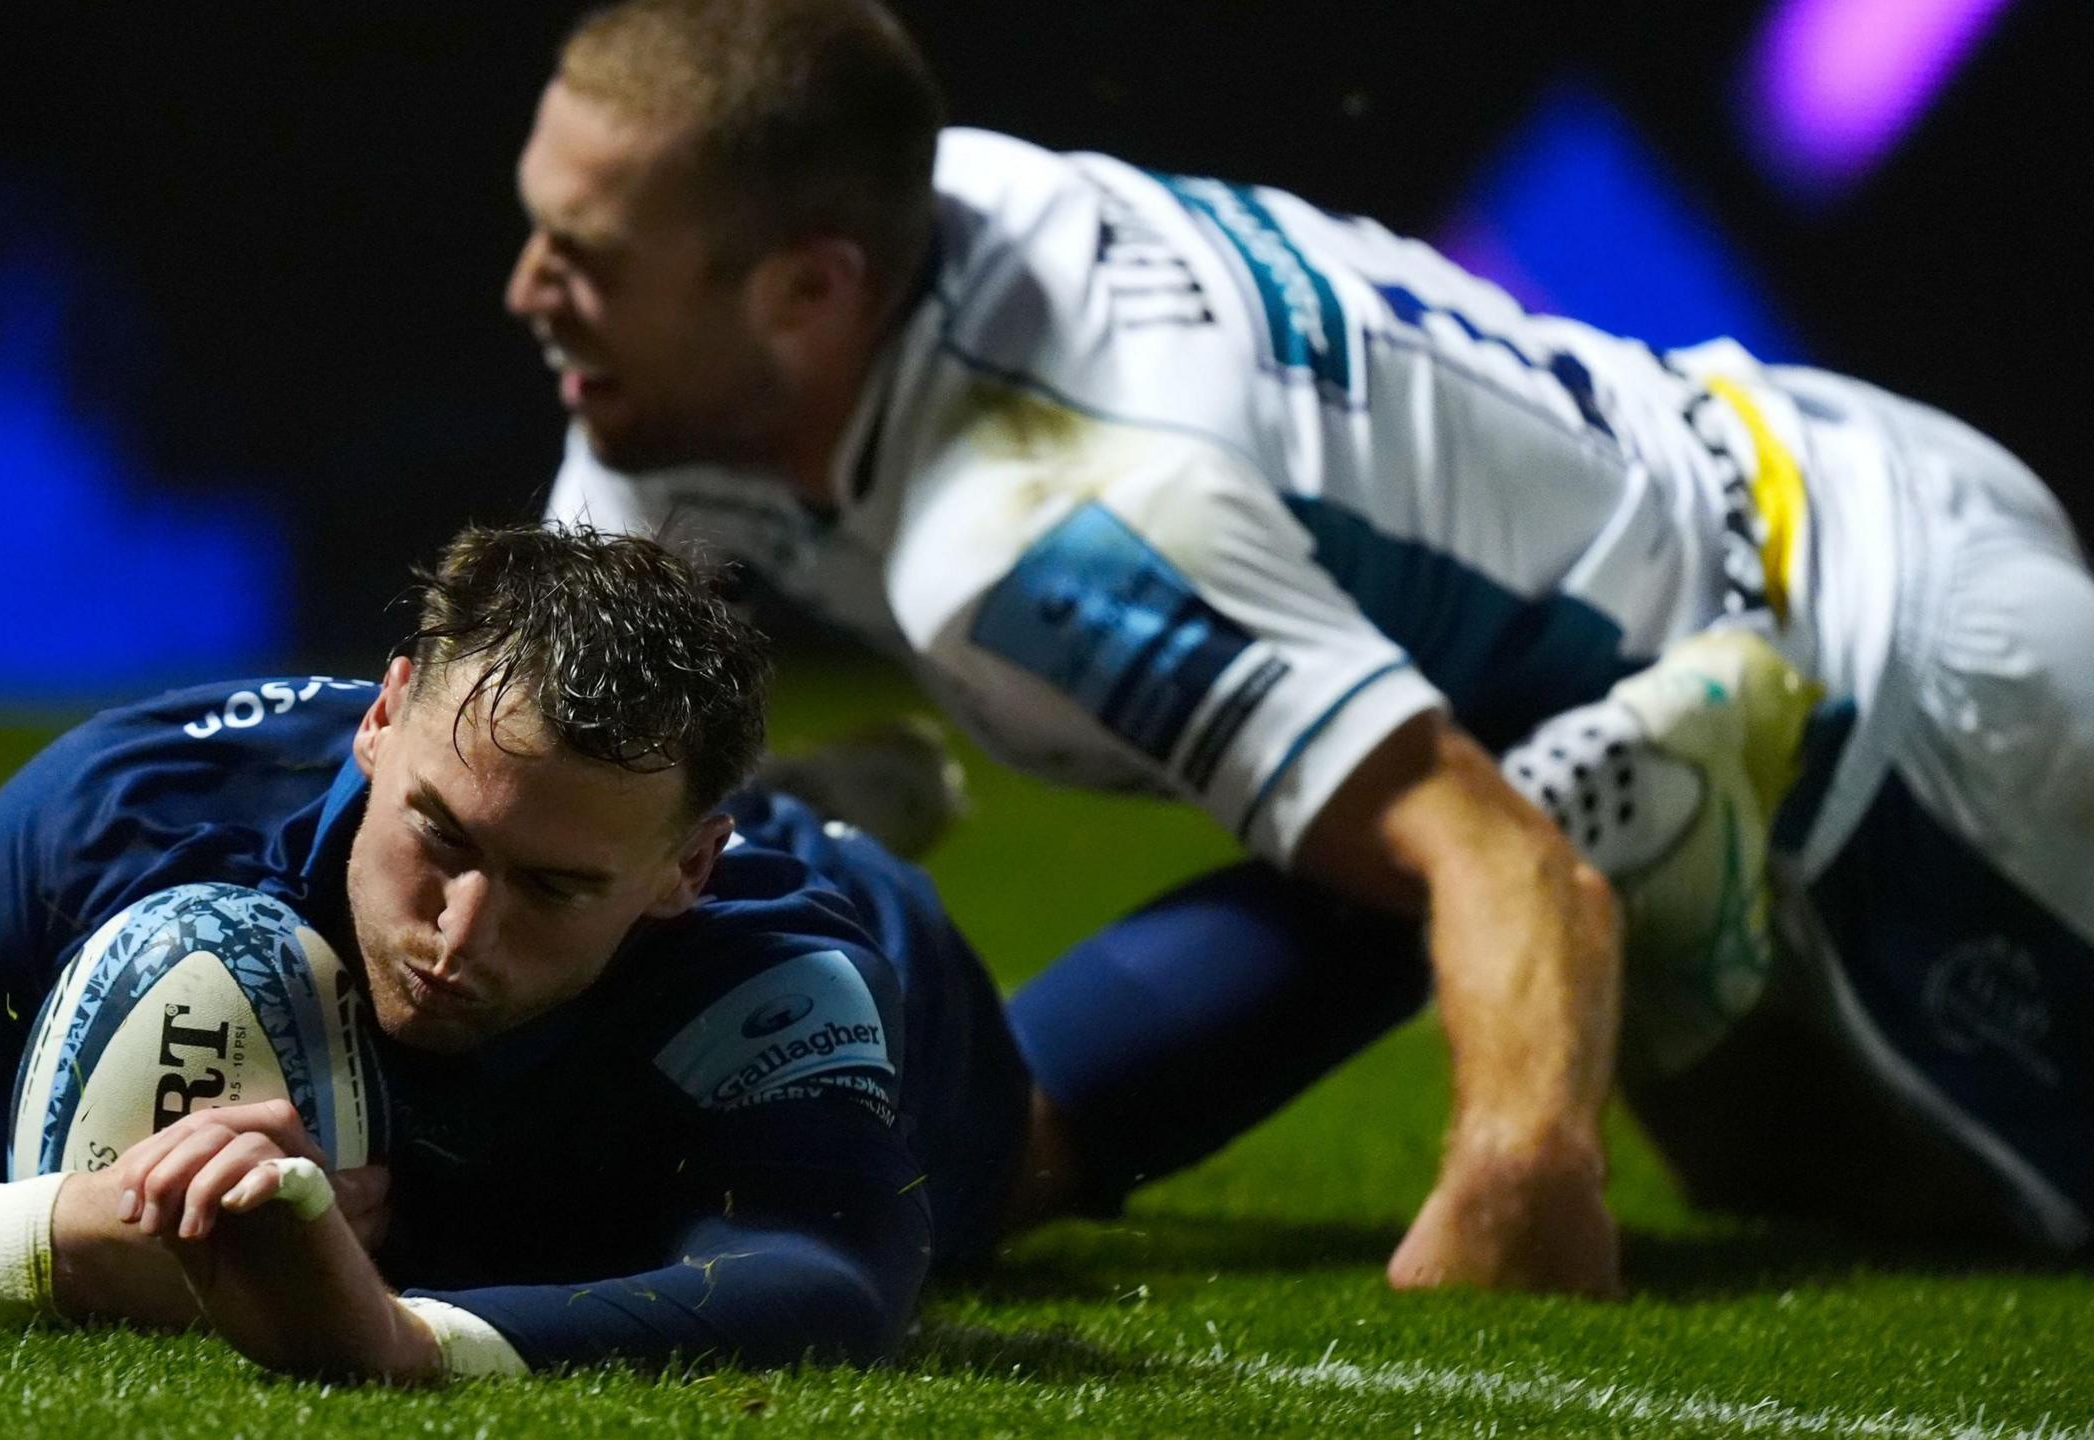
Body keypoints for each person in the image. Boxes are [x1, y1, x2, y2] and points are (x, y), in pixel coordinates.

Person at [511, 0, 2094, 1288]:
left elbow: (1491, 860)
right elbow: (537, 735)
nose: (531, 295)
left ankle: (1656, 851)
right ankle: (1663, 836)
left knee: (2008, 1222)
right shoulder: (840, 247)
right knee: (1779, 1184)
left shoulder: (1039, 529)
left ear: (807, 293)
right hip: (1751, 516)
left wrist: (1512, 1183)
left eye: (582, 260)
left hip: (1892, 660)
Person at [0, 524, 1041, 1381]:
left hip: (896, 960)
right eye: (439, 839)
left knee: (1053, 1155)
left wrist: (398, 1339)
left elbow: (830, 1281)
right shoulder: (118, 813)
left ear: (686, 870)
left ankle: (829, 810)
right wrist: (63, 1246)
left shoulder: (772, 961)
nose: (461, 935)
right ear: (382, 716)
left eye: (553, 887)